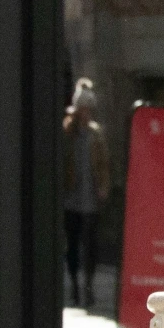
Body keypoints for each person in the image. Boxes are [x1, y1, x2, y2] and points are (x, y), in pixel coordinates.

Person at [60, 80, 112, 308]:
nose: (86, 113)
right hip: (71, 197)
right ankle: (73, 286)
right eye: (83, 108)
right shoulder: (67, 133)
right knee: (72, 244)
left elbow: (104, 165)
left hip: (90, 197)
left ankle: (88, 288)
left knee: (90, 244)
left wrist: (103, 187)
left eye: (89, 109)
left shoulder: (96, 135)